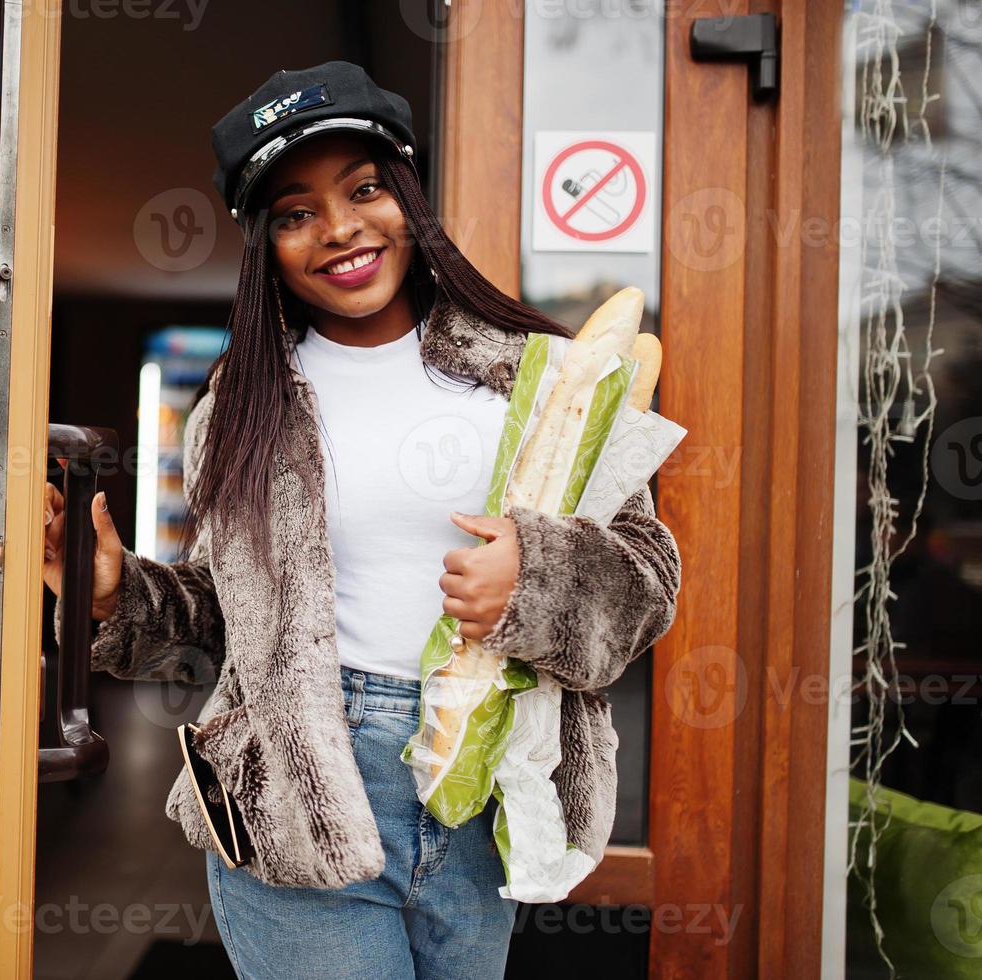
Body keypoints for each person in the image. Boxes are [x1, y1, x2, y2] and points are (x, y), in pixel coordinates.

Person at [42, 61, 680, 979]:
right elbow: (225, 615)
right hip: (299, 784)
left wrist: (531, 579)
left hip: (485, 783)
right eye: (295, 212)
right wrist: (112, 593)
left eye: (365, 189)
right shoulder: (240, 404)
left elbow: (648, 579)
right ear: (264, 241)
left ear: (406, 196)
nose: (340, 230)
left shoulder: (534, 375)